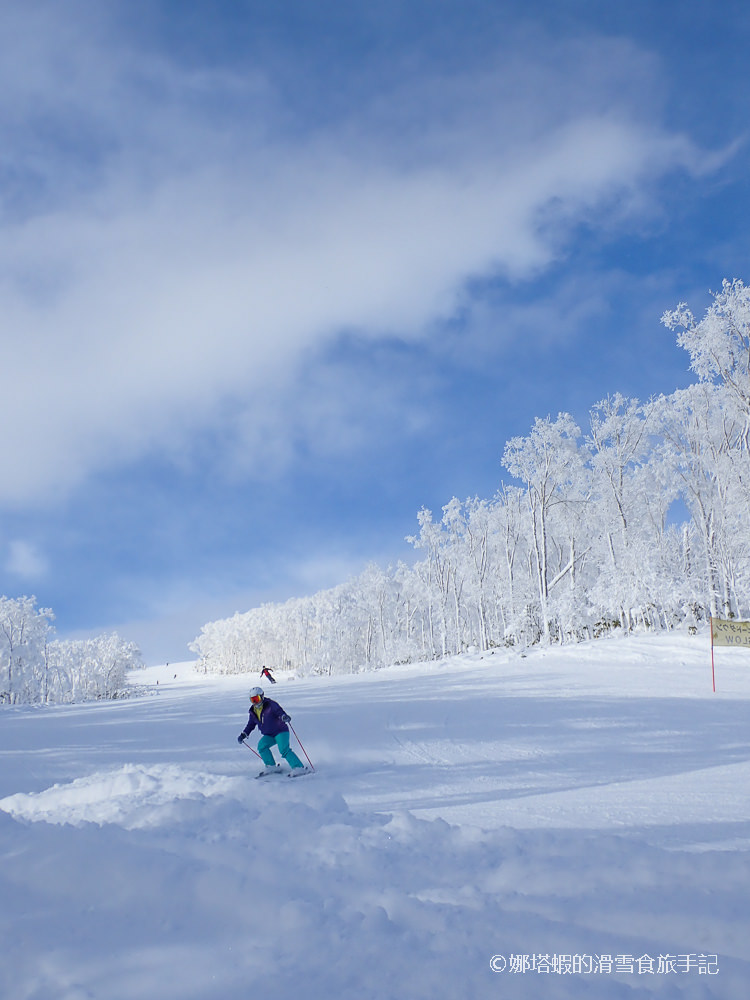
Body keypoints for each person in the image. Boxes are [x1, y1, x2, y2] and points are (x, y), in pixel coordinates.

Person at [237, 687, 307, 775]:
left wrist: (284, 716)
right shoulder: (253, 711)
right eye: (252, 700)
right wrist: (244, 734)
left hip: (280, 731)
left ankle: (298, 767)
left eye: (256, 699)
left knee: (284, 749)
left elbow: (279, 711)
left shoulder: (270, 704)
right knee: (262, 746)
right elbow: (250, 724)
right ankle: (271, 766)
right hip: (269, 734)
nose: (255, 702)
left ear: (262, 697)